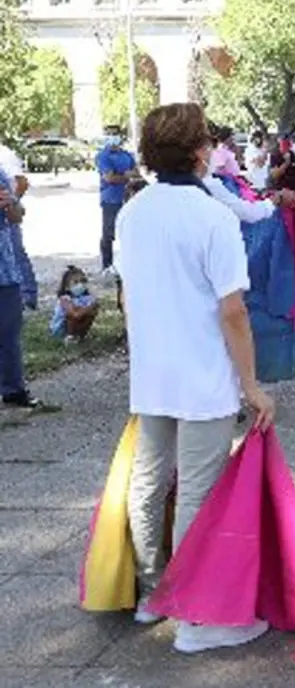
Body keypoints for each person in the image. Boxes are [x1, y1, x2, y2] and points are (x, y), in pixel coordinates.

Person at [117, 102, 276, 652]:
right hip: (202, 374)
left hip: (152, 371)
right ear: (199, 151)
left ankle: (149, 595)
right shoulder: (212, 216)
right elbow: (232, 311)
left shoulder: (133, 211)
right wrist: (252, 385)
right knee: (199, 494)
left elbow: (127, 294)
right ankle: (195, 618)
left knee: (149, 481)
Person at [0, 165, 44, 409]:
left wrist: (11, 204)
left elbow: (17, 216)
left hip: (5, 267)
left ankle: (13, 391)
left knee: (9, 330)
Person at [95, 125, 139, 276]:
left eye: (115, 134)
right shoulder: (103, 156)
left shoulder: (127, 155)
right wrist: (127, 175)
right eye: (109, 135)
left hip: (128, 199)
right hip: (110, 199)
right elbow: (109, 177)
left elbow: (137, 173)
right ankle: (106, 265)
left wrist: (124, 175)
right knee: (108, 233)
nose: (112, 137)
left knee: (129, 232)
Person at [0, 142, 37, 308]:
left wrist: (12, 202)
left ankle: (28, 296)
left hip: (6, 277)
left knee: (18, 255)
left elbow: (18, 213)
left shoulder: (3, 157)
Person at [50, 265, 99, 344]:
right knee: (71, 316)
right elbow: (74, 314)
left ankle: (80, 335)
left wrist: (85, 310)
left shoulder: (87, 298)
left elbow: (94, 308)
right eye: (76, 282)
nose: (80, 285)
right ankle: (70, 336)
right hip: (61, 327)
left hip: (79, 320)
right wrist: (88, 308)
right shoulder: (65, 299)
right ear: (67, 287)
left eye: (83, 281)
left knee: (89, 315)